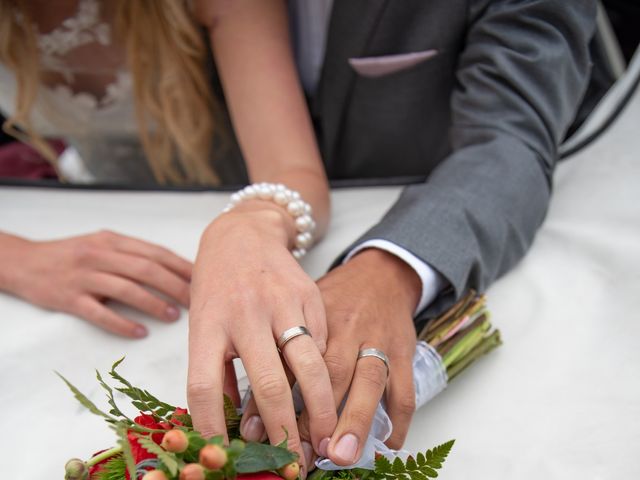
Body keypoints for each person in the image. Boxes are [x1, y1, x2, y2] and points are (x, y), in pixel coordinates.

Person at [0, 0, 597, 475]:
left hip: (358, 215)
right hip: (97, 222)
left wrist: (359, 259)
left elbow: (509, 140)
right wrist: (15, 257)